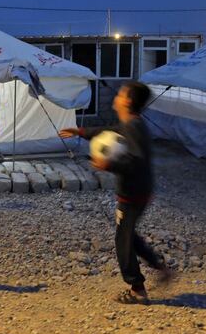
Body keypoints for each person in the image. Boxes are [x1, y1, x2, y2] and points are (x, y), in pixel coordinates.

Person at [59, 82, 172, 304]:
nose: (117, 95)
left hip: (134, 194)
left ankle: (137, 289)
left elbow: (135, 161)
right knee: (129, 234)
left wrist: (107, 164)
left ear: (128, 101)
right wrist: (82, 132)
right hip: (136, 191)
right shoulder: (130, 124)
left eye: (121, 93)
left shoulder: (134, 127)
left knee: (123, 241)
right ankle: (160, 268)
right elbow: (108, 131)